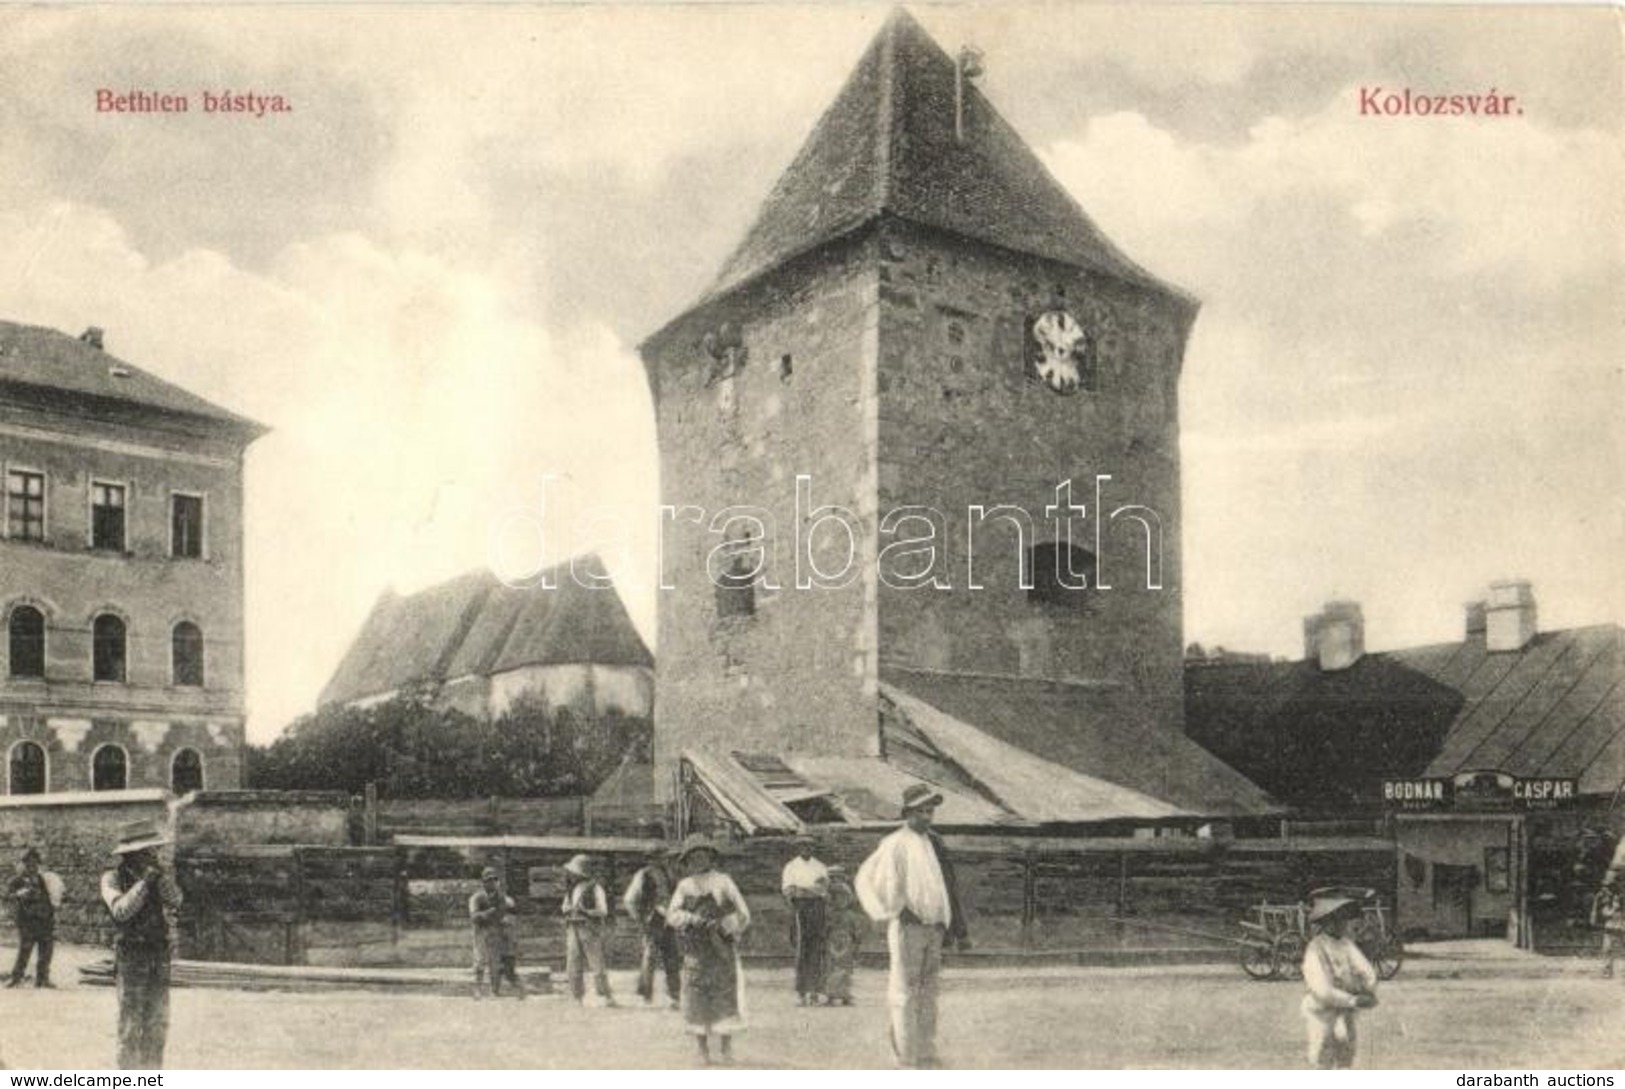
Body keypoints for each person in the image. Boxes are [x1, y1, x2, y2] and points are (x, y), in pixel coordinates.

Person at [854, 784, 968, 1069]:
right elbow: (868, 878)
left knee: (929, 991)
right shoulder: (894, 843)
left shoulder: (935, 843)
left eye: (930, 811)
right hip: (909, 927)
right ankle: (906, 1056)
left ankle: (926, 1052)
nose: (927, 817)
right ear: (907, 813)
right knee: (905, 991)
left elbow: (947, 886)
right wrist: (893, 910)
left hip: (934, 928)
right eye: (921, 811)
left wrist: (951, 925)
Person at [101, 820, 183, 1069]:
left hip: (158, 955)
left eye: (154, 850)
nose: (154, 855)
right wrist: (143, 884)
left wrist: (161, 880)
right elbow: (121, 911)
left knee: (157, 1023)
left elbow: (176, 901)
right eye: (149, 851)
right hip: (131, 957)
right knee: (130, 1024)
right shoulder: (112, 878)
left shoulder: (157, 878)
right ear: (132, 854)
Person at [668, 834, 751, 1066]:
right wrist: (691, 918)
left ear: (711, 857)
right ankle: (702, 1050)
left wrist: (725, 925)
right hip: (695, 949)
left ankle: (726, 1049)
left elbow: (743, 913)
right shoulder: (685, 886)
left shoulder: (724, 882)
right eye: (693, 857)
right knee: (696, 998)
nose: (698, 860)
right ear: (687, 861)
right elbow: (672, 915)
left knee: (724, 996)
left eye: (703, 855)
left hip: (720, 948)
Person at [1301, 897, 1379, 1069]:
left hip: (1345, 1011)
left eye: (1344, 918)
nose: (1343, 923)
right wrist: (1352, 1000)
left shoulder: (1346, 944)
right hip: (1321, 1012)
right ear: (1327, 921)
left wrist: (1367, 988)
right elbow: (1321, 989)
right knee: (1322, 1056)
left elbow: (1367, 971)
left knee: (1346, 1056)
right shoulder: (1316, 947)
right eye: (1338, 918)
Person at [623, 848, 680, 1007]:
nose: (664, 860)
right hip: (652, 921)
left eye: (664, 857)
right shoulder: (643, 875)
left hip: (669, 920)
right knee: (650, 958)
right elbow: (629, 900)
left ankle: (674, 995)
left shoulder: (669, 874)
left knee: (673, 957)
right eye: (660, 857)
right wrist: (641, 919)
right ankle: (645, 994)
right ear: (651, 859)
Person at [781, 833, 830, 1005]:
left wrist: (803, 890)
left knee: (817, 948)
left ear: (813, 848)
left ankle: (815, 991)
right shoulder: (791, 867)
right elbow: (789, 891)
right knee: (802, 949)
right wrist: (806, 891)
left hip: (817, 909)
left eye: (809, 846)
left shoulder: (820, 867)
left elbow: (823, 889)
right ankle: (802, 992)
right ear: (798, 848)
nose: (806, 849)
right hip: (799, 909)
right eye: (802, 846)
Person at [561, 853, 614, 1006]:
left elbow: (603, 910)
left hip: (589, 928)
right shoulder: (571, 889)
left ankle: (605, 996)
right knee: (573, 963)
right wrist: (568, 909)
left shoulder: (596, 888)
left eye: (575, 872)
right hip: (573, 927)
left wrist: (587, 912)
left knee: (596, 963)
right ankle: (577, 996)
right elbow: (564, 906)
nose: (573, 875)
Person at [8, 847, 63, 989]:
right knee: (24, 950)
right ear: (23, 864)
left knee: (46, 950)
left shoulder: (42, 879)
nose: (32, 867)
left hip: (44, 920)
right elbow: (10, 897)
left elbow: (50, 896)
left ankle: (42, 979)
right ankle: (16, 978)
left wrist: (52, 911)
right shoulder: (17, 881)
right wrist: (21, 894)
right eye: (29, 864)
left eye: (35, 864)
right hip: (28, 922)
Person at [469, 866, 524, 999]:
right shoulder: (477, 898)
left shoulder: (501, 898)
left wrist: (504, 916)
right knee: (479, 961)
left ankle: (495, 991)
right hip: (481, 931)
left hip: (496, 932)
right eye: (488, 880)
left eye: (494, 880)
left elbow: (509, 911)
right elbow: (474, 917)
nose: (492, 883)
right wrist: (488, 913)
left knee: (495, 962)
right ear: (483, 882)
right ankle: (477, 990)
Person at [821, 864, 867, 1006]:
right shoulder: (828, 913)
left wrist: (856, 940)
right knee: (831, 967)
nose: (839, 900)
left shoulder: (850, 915)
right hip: (833, 940)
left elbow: (855, 930)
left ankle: (844, 994)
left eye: (843, 898)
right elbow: (825, 928)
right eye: (836, 898)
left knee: (845, 968)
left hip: (845, 940)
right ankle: (831, 995)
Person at [1597, 835, 1625, 977]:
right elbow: (1611, 877)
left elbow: (1609, 878)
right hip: (1619, 902)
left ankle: (1607, 968)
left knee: (1612, 934)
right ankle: (1607, 968)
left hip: (1618, 901)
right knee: (1612, 933)